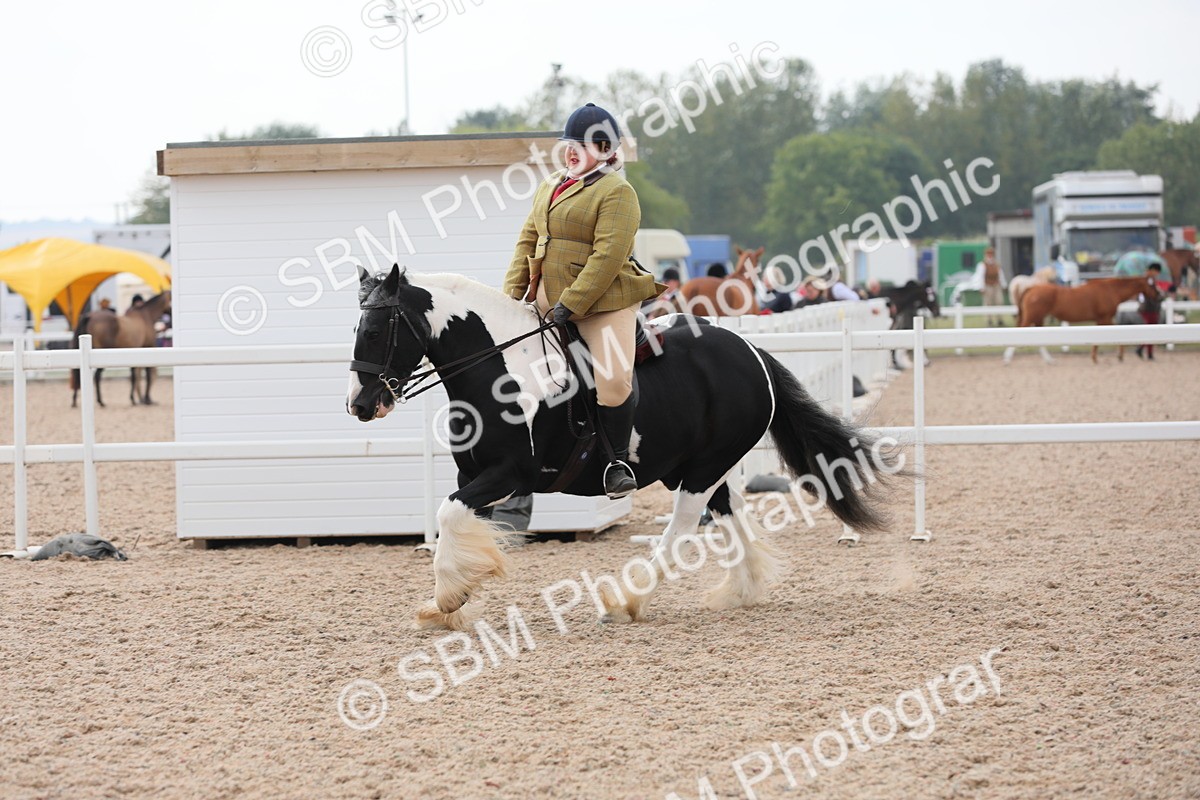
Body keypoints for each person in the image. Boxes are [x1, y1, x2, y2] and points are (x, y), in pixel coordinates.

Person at [504, 102, 664, 499]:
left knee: (612, 379)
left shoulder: (618, 192)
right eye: (569, 142)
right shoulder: (550, 186)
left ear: (607, 150)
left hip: (604, 303)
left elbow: (607, 256)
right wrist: (508, 298)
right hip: (547, 300)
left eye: (584, 143)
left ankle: (616, 462)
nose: (572, 150)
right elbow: (527, 240)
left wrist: (571, 305)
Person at [1135, 264, 1165, 360]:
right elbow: (1145, 296)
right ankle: (1148, 352)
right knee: (1151, 330)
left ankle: (1142, 348)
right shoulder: (1147, 281)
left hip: (1151, 308)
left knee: (1151, 330)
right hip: (1148, 308)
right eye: (1156, 272)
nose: (1156, 274)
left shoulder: (1151, 281)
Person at [973, 247, 1007, 326]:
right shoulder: (982, 265)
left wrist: (1004, 285)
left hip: (996, 285)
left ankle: (999, 319)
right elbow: (980, 276)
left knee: (999, 301)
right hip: (987, 285)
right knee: (988, 303)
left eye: (991, 254)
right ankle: (989, 320)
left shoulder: (996, 265)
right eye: (988, 254)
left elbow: (1001, 275)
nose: (990, 256)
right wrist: (981, 287)